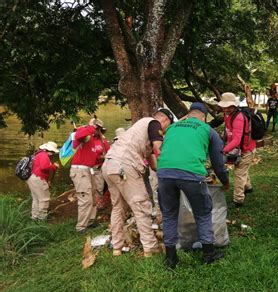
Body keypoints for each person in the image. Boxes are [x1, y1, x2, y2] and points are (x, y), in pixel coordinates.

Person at [157, 103, 230, 268]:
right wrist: (225, 181)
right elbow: (218, 163)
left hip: (164, 173)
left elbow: (163, 149)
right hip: (191, 173)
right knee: (202, 213)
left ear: (189, 114)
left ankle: (171, 259)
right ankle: (209, 254)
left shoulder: (172, 128)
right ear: (204, 117)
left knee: (169, 215)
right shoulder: (207, 129)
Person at [101, 108, 174, 256]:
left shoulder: (140, 130)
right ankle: (151, 248)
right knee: (141, 205)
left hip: (109, 164)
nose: (165, 131)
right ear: (165, 120)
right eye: (168, 127)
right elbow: (159, 150)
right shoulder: (154, 123)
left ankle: (117, 246)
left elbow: (154, 165)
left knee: (118, 207)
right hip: (124, 165)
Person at [219, 92, 257, 207]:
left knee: (239, 173)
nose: (226, 109)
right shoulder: (227, 115)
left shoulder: (239, 118)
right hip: (240, 148)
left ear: (233, 106)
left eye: (228, 106)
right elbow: (228, 131)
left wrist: (223, 151)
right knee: (242, 169)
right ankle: (248, 187)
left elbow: (236, 140)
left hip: (247, 149)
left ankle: (238, 199)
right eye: (224, 106)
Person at [70, 118, 107, 233]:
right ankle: (81, 227)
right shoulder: (83, 134)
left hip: (89, 170)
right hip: (80, 170)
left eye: (99, 129)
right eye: (97, 128)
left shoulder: (93, 139)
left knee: (93, 196)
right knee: (85, 198)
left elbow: (93, 156)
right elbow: (77, 135)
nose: (98, 131)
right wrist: (91, 126)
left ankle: (90, 221)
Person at [26, 141, 59, 221]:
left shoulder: (38, 154)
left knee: (36, 198)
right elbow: (44, 167)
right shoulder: (44, 155)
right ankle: (42, 219)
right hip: (39, 179)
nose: (53, 153)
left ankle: (34, 217)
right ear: (50, 150)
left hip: (32, 178)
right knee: (44, 199)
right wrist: (53, 166)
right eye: (53, 152)